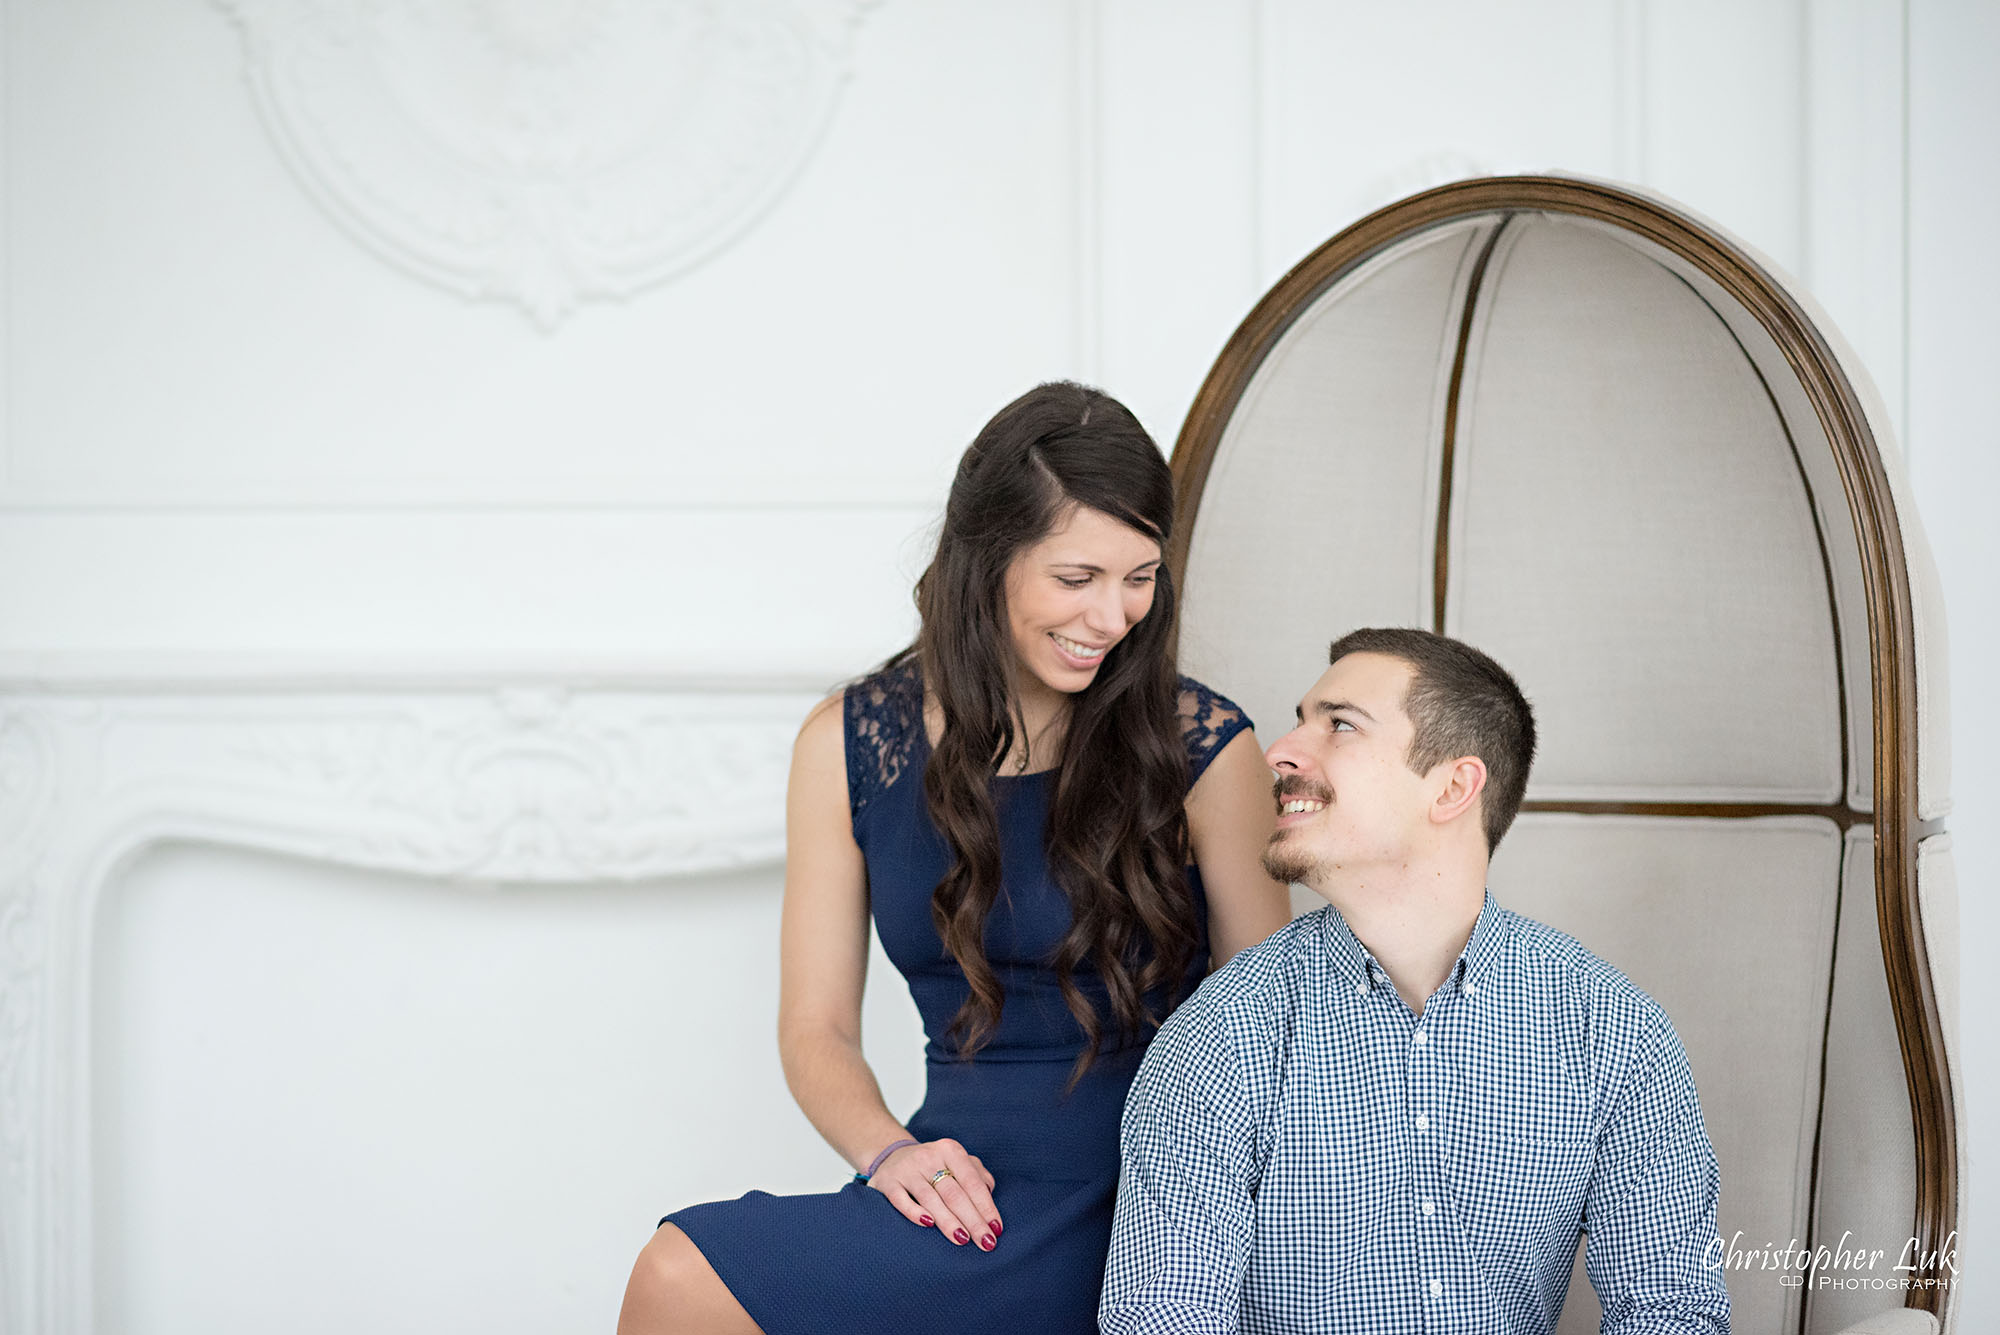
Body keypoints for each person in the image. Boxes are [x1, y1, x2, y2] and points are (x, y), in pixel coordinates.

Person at [616, 382, 1294, 1335]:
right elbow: (815, 1028)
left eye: (1139, 576)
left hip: (1151, 1196)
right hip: (960, 1179)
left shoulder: (1206, 745)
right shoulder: (850, 740)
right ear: (988, 560)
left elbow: (1277, 1035)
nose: (1111, 616)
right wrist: (891, 1153)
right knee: (679, 1274)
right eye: (1076, 577)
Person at [1100, 628, 1732, 1335]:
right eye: (1302, 718)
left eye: (1338, 724)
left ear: (1454, 786)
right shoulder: (1218, 1033)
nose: (1280, 751)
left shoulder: (1612, 1029)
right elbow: (1161, 1315)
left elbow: (1673, 1311)